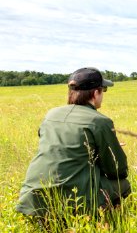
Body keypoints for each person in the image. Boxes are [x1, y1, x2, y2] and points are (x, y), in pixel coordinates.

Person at [16, 67, 130, 221]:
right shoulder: (100, 121)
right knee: (123, 184)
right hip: (74, 201)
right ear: (96, 93)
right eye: (103, 90)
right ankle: (103, 222)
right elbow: (117, 170)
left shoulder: (51, 114)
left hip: (33, 197)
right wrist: (107, 150)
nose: (103, 94)